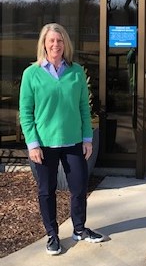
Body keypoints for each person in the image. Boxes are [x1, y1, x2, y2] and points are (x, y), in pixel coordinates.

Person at [19, 23, 104, 255]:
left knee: (78, 187)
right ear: (44, 44)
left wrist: (88, 139)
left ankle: (79, 229)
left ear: (65, 43)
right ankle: (52, 235)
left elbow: (84, 109)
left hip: (73, 142)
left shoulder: (76, 71)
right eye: (51, 40)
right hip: (44, 145)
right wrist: (32, 144)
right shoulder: (31, 74)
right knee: (46, 191)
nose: (56, 44)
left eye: (60, 40)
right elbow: (26, 112)